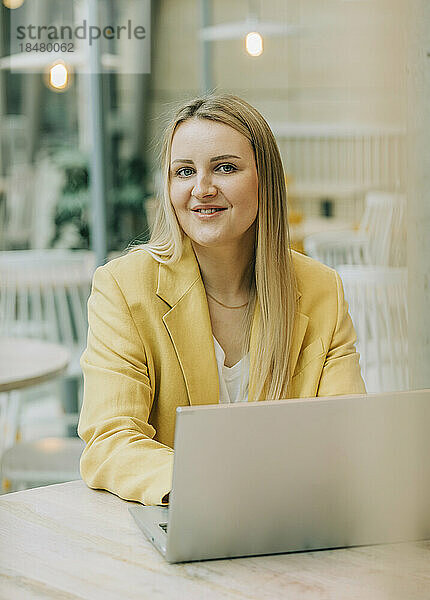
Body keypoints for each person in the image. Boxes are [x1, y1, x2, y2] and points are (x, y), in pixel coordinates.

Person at [78, 94, 366, 506]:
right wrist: (214, 488)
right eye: (184, 171)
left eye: (225, 168)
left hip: (293, 522)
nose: (202, 188)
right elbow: (110, 439)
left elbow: (349, 432)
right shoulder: (123, 287)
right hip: (177, 517)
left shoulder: (322, 290)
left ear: (264, 179)